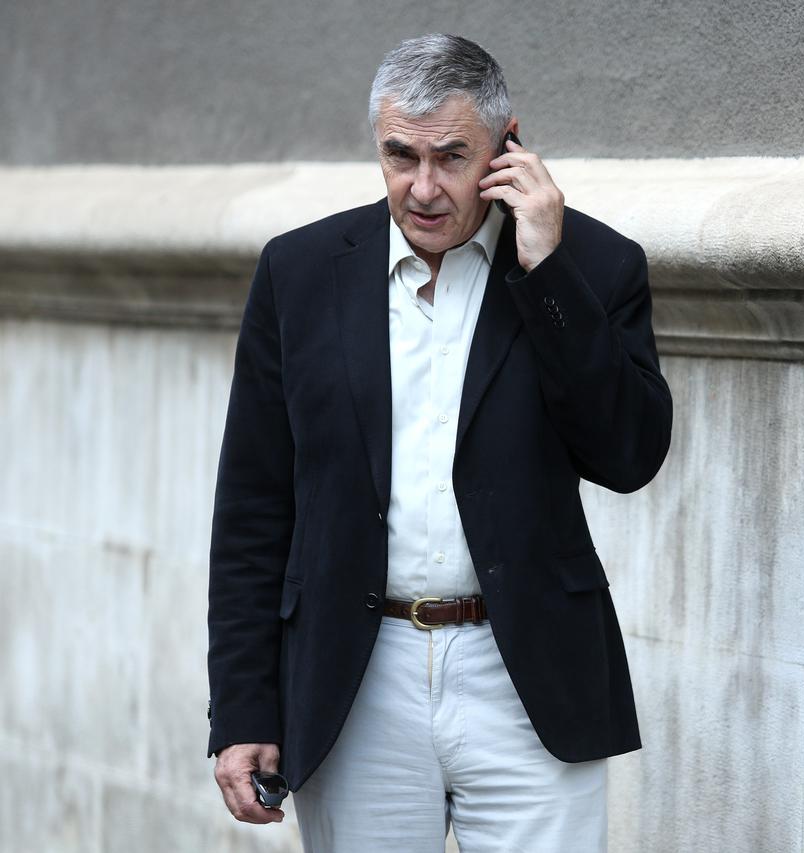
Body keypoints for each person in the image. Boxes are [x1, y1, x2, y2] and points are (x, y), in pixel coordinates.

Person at [206, 33, 672, 852]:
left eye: (452, 157)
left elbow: (629, 455)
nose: (422, 188)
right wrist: (242, 706)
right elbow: (254, 504)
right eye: (400, 155)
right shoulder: (300, 273)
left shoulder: (593, 266)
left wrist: (546, 273)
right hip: (357, 676)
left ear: (507, 146)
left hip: (525, 675)